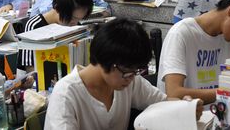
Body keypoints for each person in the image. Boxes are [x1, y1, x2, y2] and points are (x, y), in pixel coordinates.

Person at [44, 18, 203, 130]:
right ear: (108, 61)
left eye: (136, 72)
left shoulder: (129, 80)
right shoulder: (66, 94)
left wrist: (186, 108)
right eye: (128, 73)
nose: (132, 78)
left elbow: (163, 101)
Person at [20, 0, 93, 72]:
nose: (75, 23)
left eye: (79, 19)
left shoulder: (75, 27)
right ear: (58, 8)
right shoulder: (34, 26)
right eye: (72, 18)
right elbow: (30, 69)